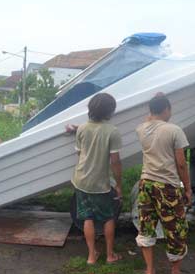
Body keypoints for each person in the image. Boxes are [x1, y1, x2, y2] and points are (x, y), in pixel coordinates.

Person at [135, 94, 192, 274]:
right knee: (175, 229)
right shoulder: (174, 130)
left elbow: (149, 119)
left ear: (150, 111)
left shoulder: (141, 129)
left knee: (146, 225)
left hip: (146, 184)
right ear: (167, 109)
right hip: (167, 186)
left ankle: (149, 269)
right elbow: (181, 163)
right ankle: (175, 270)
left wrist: (154, 103)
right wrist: (188, 189)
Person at [70, 93, 123, 265]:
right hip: (101, 184)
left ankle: (91, 256)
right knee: (108, 217)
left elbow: (80, 153)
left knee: (88, 218)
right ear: (110, 111)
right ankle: (109, 255)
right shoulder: (112, 131)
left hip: (81, 180)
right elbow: (115, 161)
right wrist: (119, 185)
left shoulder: (82, 128)